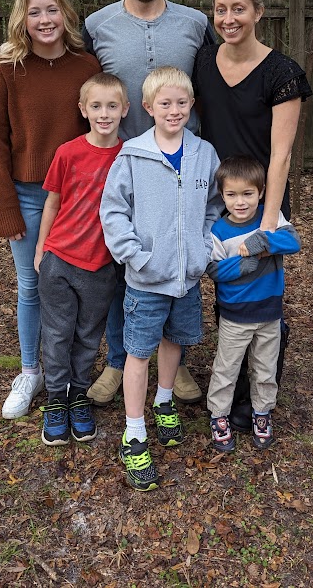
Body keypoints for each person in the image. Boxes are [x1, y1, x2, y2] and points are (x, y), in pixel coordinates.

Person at [83, 0, 216, 407]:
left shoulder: (197, 24)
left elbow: (216, 85)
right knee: (125, 268)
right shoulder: (97, 25)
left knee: (174, 265)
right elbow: (85, 93)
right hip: (121, 165)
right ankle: (119, 361)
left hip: (180, 168)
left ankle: (171, 365)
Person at [193, 0, 312, 430]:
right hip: (221, 198)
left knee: (262, 286)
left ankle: (254, 401)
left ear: (258, 13)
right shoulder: (204, 62)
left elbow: (280, 155)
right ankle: (232, 383)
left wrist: (265, 223)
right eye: (220, 9)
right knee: (229, 290)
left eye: (238, 9)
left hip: (262, 200)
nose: (228, 18)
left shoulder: (282, 73)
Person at [0, 0, 100, 420]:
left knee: (88, 286)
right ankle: (30, 371)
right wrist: (7, 209)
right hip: (29, 197)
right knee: (32, 286)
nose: (44, 19)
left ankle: (80, 373)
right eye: (35, 12)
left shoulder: (85, 66)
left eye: (51, 9)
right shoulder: (6, 71)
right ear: (23, 19)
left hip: (80, 198)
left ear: (65, 14)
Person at [100, 67, 221, 491]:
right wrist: (135, 255)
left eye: (181, 103)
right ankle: (134, 433)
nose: (174, 110)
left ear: (191, 105)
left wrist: (203, 248)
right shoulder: (132, 154)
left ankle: (164, 401)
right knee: (138, 351)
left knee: (175, 342)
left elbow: (213, 205)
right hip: (146, 280)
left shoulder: (204, 153)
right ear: (149, 108)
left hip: (187, 280)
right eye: (164, 104)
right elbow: (113, 210)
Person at [33, 73, 129, 446]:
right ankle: (56, 400)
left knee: (89, 335)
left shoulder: (131, 155)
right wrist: (42, 249)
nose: (103, 114)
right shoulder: (68, 153)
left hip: (102, 265)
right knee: (58, 334)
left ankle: (78, 395)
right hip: (60, 259)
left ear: (124, 109)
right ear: (83, 110)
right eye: (96, 106)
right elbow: (52, 202)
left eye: (111, 106)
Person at [206, 157, 301, 453]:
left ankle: (262, 413)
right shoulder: (219, 231)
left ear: (261, 192)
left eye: (248, 194)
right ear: (222, 195)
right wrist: (247, 261)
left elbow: (294, 242)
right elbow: (215, 271)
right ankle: (219, 415)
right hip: (235, 316)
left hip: (269, 313)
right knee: (227, 368)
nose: (240, 202)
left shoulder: (269, 220)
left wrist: (264, 243)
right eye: (232, 195)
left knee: (264, 368)